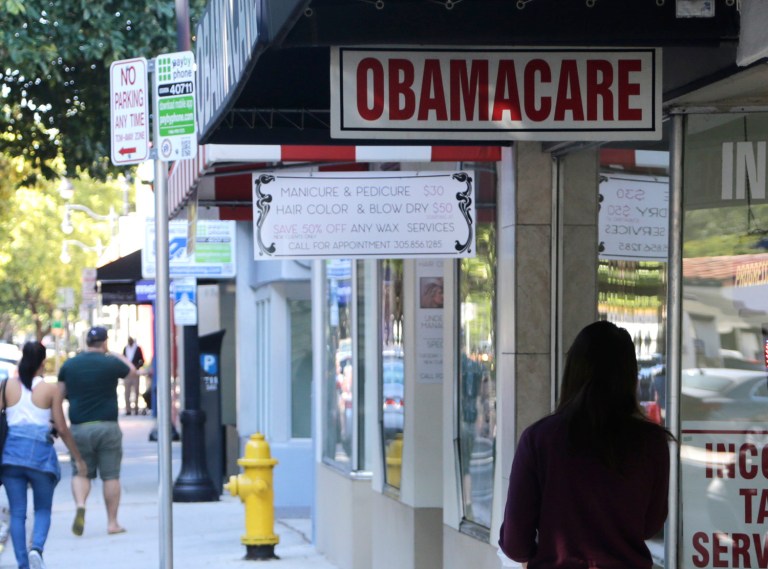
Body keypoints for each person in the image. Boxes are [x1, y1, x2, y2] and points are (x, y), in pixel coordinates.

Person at [498, 320, 673, 569]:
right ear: (630, 378)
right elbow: (649, 526)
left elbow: (515, 544)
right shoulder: (652, 442)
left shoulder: (539, 440)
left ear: (572, 373)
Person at [1, 341, 87, 569]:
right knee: (42, 509)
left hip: (11, 456)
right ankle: (36, 549)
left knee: (17, 513)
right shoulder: (50, 390)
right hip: (40, 456)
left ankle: (23, 564)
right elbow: (62, 427)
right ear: (43, 362)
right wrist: (77, 457)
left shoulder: (7, 386)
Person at [58, 326, 135, 537]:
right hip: (107, 426)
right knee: (111, 476)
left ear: (87, 342)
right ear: (105, 342)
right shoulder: (110, 363)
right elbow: (132, 372)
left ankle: (81, 504)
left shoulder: (70, 365)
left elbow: (60, 394)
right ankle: (112, 523)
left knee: (81, 472)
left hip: (79, 427)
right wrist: (117, 355)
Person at [121, 338, 144, 416]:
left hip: (135, 373)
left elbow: (142, 360)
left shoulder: (138, 349)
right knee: (127, 392)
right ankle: (128, 410)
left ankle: (136, 409)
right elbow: (123, 359)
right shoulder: (125, 348)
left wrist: (136, 367)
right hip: (127, 373)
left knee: (136, 391)